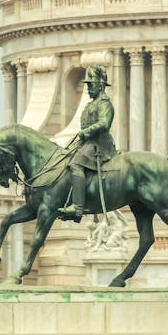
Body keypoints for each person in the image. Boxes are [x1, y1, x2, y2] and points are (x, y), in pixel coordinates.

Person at [58, 64, 116, 222]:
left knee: (76, 164)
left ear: (101, 84)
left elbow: (104, 123)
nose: (88, 88)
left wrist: (86, 132)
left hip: (99, 144)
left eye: (91, 84)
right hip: (88, 143)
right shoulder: (92, 104)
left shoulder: (105, 103)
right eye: (87, 85)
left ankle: (77, 207)